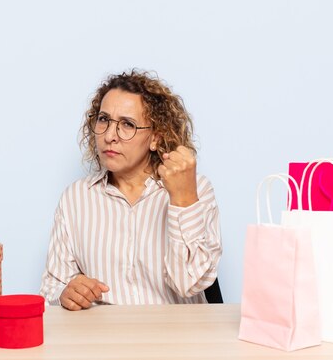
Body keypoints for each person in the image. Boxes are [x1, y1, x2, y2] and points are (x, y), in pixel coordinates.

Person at [39, 70, 222, 310]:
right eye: (104, 119)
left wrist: (182, 199)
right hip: (104, 340)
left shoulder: (196, 190)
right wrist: (65, 293)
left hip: (177, 340)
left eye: (128, 124)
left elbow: (188, 283)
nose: (110, 136)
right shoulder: (76, 198)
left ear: (155, 138)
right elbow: (51, 288)